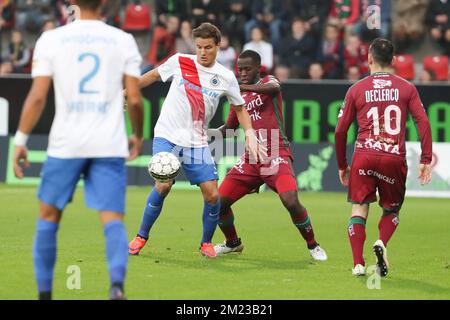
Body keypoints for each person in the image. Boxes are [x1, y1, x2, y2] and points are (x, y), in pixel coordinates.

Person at [12, 0, 144, 299]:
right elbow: (135, 100)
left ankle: (45, 293)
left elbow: (36, 97)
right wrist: (135, 134)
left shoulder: (51, 39)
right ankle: (116, 287)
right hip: (108, 143)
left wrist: (20, 140)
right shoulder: (123, 40)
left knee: (48, 216)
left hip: (65, 145)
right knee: (112, 219)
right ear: (105, 3)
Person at [128, 23, 261, 258]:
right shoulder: (180, 61)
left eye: (208, 47)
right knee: (163, 184)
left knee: (212, 194)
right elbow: (152, 75)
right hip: (167, 134)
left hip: (197, 141)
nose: (202, 52)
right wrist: (127, 91)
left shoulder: (226, 77)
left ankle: (206, 243)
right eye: (199, 47)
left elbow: (240, 109)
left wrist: (249, 133)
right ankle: (141, 236)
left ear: (218, 46)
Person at [210, 50, 328, 261]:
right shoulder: (238, 98)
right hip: (250, 158)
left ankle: (313, 245)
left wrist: (240, 87)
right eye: (240, 70)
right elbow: (229, 128)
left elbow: (275, 87)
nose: (243, 73)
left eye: (247, 69)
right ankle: (232, 243)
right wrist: (205, 133)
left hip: (276, 152)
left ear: (258, 68)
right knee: (218, 203)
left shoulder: (268, 81)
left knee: (290, 200)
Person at [335, 38, 432, 277]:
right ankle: (381, 242)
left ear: (369, 59)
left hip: (364, 156)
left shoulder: (356, 89)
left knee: (359, 208)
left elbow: (340, 131)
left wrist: (342, 165)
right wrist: (426, 159)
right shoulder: (407, 88)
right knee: (391, 210)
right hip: (392, 157)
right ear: (394, 61)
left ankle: (358, 263)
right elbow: (423, 122)